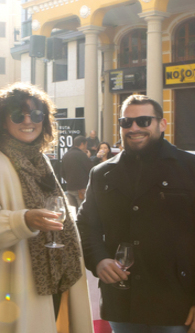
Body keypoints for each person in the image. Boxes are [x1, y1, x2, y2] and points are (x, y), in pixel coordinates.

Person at [0, 82, 93, 332]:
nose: (28, 120)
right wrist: (24, 221)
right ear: (3, 121)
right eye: (17, 114)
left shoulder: (40, 159)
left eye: (35, 114)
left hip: (56, 281)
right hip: (17, 289)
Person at [77, 94, 195, 333]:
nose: (134, 128)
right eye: (126, 122)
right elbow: (87, 225)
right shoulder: (101, 173)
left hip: (177, 303)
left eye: (144, 121)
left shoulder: (189, 167)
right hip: (122, 302)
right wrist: (99, 260)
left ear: (162, 124)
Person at [61, 135, 93, 208]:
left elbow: (62, 173)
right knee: (83, 211)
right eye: (86, 145)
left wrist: (69, 180)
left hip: (70, 188)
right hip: (81, 189)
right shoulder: (82, 155)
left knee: (73, 212)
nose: (86, 147)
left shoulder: (66, 155)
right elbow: (90, 169)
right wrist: (88, 158)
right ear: (82, 144)